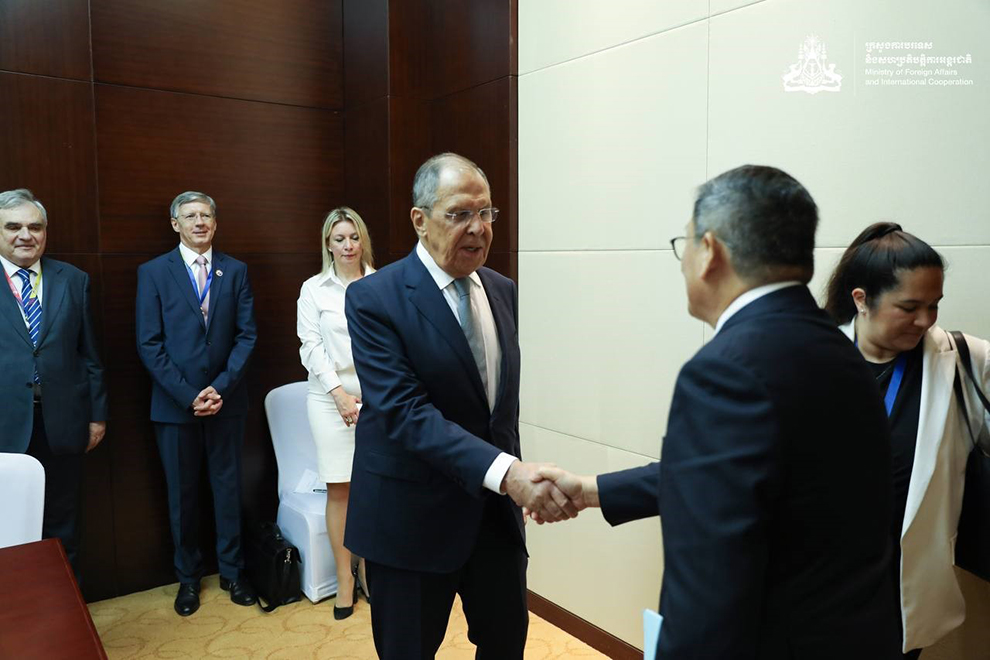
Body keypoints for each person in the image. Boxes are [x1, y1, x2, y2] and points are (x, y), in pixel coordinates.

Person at [535, 165, 901, 659]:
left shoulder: (726, 371)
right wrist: (594, 491)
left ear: (710, 251)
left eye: (683, 244)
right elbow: (753, 480)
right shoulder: (840, 352)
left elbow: (708, 585)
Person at [343, 153, 575, 659]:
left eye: (486, 213)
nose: (478, 228)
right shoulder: (373, 298)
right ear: (419, 220)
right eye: (460, 214)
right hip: (410, 521)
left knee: (505, 644)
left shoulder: (501, 290)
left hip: (493, 520)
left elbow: (497, 413)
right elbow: (405, 412)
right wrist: (508, 473)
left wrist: (514, 486)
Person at [823, 222, 990, 658]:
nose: (926, 320)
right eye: (910, 306)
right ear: (861, 299)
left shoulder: (964, 359)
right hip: (822, 582)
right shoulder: (808, 359)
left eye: (934, 305)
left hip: (902, 588)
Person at [135, 191, 258, 616]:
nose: (200, 221)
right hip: (174, 407)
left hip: (228, 402)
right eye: (190, 216)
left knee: (228, 490)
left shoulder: (235, 270)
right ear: (176, 224)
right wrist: (190, 395)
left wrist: (219, 389)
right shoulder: (153, 272)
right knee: (182, 497)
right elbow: (149, 345)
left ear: (215, 223)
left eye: (206, 214)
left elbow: (247, 336)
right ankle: (187, 580)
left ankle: (233, 572)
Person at [0, 188, 108, 574]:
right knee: (9, 530)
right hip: (5, 426)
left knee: (64, 524)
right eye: (13, 226)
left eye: (35, 227)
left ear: (45, 232)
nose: (25, 235)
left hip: (62, 422)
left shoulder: (72, 280)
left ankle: (67, 616)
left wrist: (97, 416)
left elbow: (89, 354)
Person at [296, 206, 376, 620]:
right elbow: (310, 346)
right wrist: (340, 395)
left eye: (353, 237)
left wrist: (375, 396)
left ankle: (371, 573)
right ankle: (345, 578)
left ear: (362, 240)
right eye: (339, 238)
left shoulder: (382, 283)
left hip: (378, 401)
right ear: (328, 243)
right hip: (330, 402)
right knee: (341, 489)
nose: (347, 245)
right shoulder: (314, 289)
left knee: (378, 488)